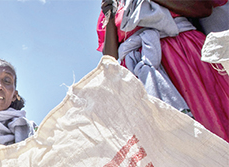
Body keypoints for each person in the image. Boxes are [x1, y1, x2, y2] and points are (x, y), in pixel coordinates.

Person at [98, 0, 229, 142]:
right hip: (139, 75)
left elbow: (203, 9)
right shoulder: (112, 5)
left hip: (185, 57)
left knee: (208, 118)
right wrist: (109, 17)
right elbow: (110, 57)